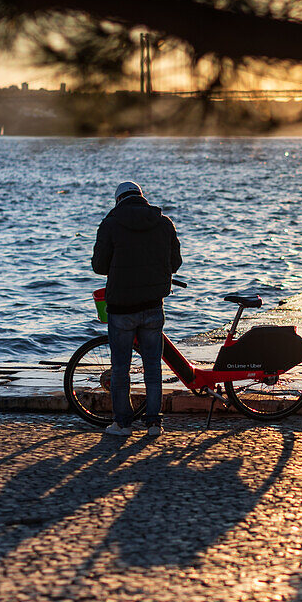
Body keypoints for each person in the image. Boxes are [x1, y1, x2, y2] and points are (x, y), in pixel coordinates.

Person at [92, 182, 181, 438]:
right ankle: (154, 424)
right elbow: (176, 262)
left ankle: (122, 424)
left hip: (121, 308)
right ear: (142, 197)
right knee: (153, 366)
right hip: (153, 305)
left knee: (121, 368)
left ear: (118, 200)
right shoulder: (163, 223)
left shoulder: (110, 224)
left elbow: (99, 266)